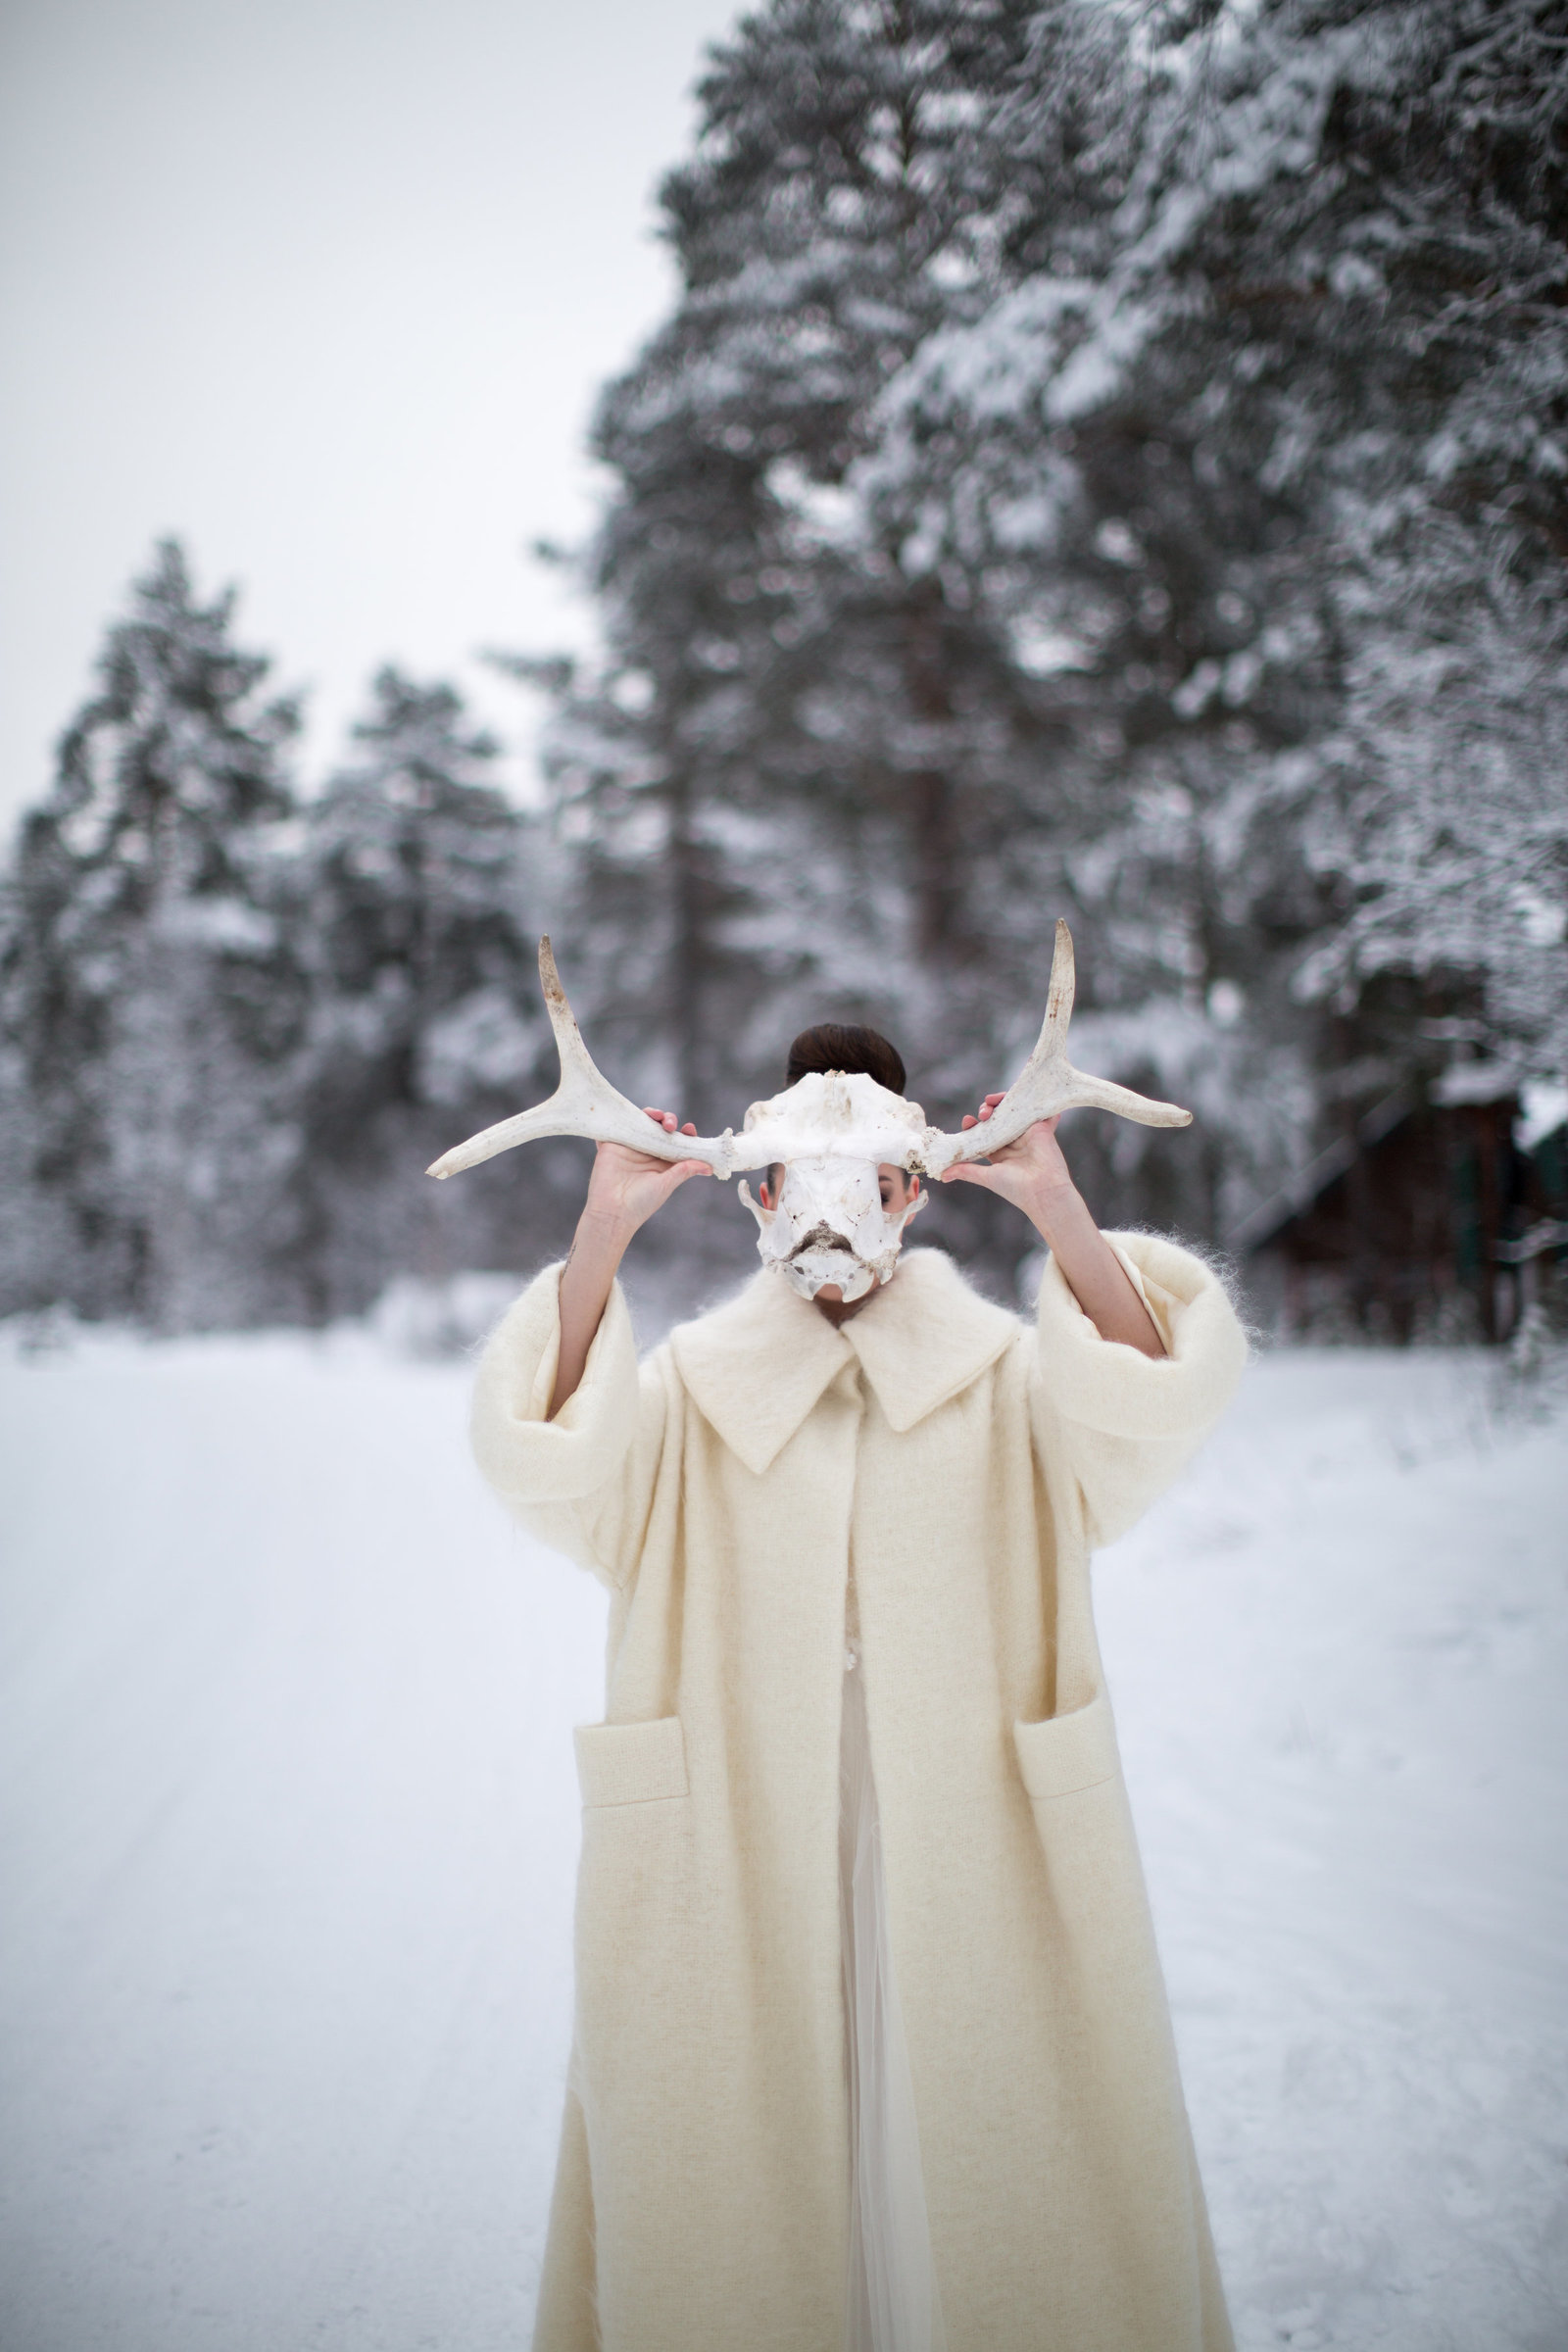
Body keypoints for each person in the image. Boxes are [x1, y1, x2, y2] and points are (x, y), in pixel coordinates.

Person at [470, 1021, 1248, 2352]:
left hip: (969, 1855)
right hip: (739, 1858)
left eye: (870, 1178)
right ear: (757, 1192)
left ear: (915, 1185)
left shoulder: (1008, 1388)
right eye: (797, 1181)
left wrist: (1056, 1201)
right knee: (739, 2195)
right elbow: (549, 1464)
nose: (833, 1213)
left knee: (981, 2178)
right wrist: (604, 1232)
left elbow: (1152, 1408)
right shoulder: (682, 1406)